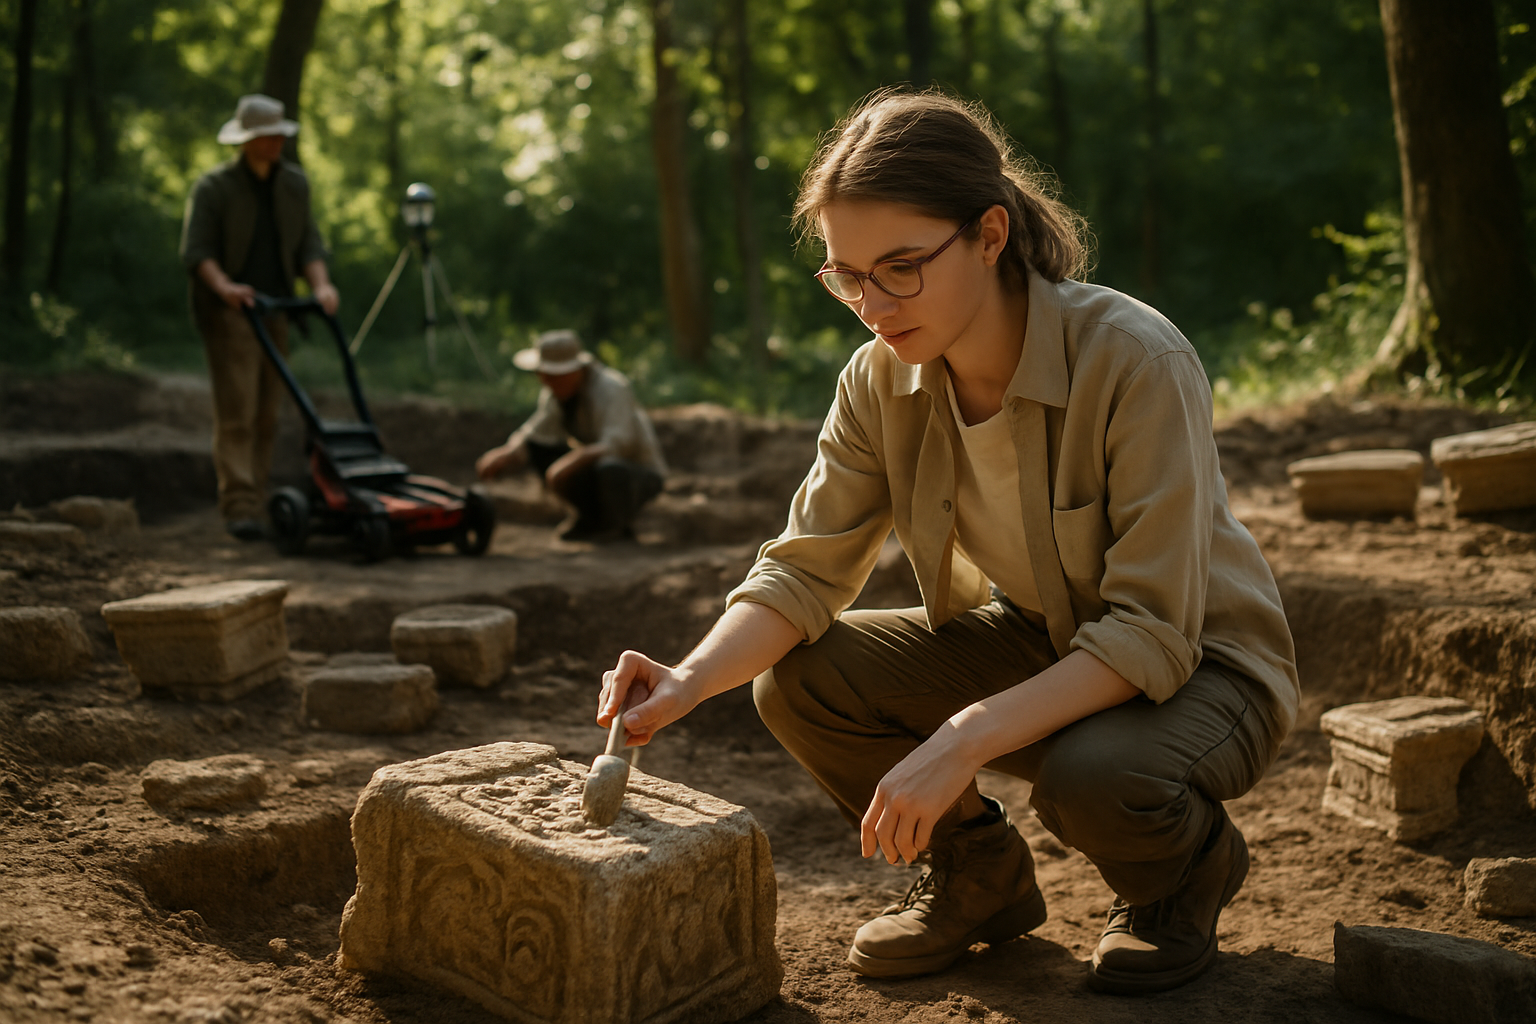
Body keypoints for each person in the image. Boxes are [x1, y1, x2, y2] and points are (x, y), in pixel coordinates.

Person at [597, 90, 1299, 996]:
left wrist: (964, 738)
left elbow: (1152, 631)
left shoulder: (1135, 358)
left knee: (1093, 779)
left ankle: (1181, 877)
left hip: (1205, 668)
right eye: (847, 275)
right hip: (1043, 641)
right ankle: (979, 880)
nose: (871, 305)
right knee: (803, 678)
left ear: (990, 235)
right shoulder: (879, 379)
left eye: (900, 267)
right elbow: (802, 571)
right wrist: (688, 680)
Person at [179, 93, 339, 542]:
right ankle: (239, 505)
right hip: (231, 312)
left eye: (278, 135)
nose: (274, 143)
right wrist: (226, 288)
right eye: (266, 136)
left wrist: (322, 286)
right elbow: (197, 253)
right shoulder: (214, 188)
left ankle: (260, 499)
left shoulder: (293, 184)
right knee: (238, 412)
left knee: (268, 412)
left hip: (278, 309)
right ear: (246, 140)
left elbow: (309, 243)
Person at [476, 329, 667, 541]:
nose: (543, 381)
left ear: (574, 372)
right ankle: (588, 519)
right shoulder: (556, 393)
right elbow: (536, 430)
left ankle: (615, 526)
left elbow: (619, 443)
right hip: (596, 466)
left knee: (610, 468)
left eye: (550, 375)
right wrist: (509, 451)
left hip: (637, 471)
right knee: (538, 448)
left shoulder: (612, 388)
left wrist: (573, 461)